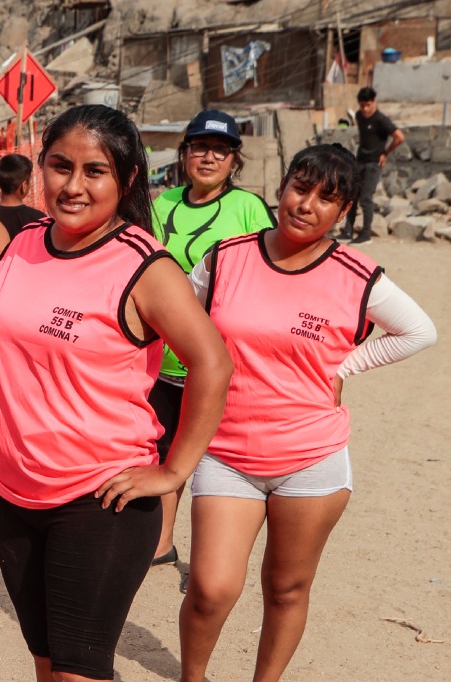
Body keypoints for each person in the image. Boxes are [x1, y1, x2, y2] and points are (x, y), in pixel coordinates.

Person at [0, 105, 232, 682]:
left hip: (100, 497)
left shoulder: (142, 265)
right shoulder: (21, 242)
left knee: (81, 665)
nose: (73, 185)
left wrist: (174, 470)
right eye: (60, 166)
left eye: (94, 171)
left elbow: (212, 362)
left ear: (126, 179)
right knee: (44, 654)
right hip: (11, 487)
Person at [153, 144, 434, 682]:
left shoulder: (357, 275)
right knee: (210, 588)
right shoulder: (226, 258)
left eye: (327, 198)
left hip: (312, 460)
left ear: (344, 210)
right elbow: (175, 322)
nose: (307, 205)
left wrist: (347, 365)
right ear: (280, 188)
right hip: (226, 452)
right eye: (300, 188)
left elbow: (419, 331)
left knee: (286, 588)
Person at [147, 110, 274, 568]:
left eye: (220, 150)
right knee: (163, 454)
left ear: (234, 160)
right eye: (199, 147)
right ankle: (160, 545)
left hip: (220, 364)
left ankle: (209, 563)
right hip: (160, 360)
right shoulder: (161, 205)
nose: (208, 157)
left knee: (216, 464)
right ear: (184, 154)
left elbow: (270, 278)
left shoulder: (250, 210)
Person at [0, 153, 46, 452]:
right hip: (32, 308)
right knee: (28, 376)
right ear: (25, 185)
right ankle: (26, 432)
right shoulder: (40, 221)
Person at [342, 87, 403, 245]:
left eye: (368, 105)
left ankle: (366, 234)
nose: (365, 109)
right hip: (359, 161)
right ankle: (348, 230)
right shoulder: (358, 116)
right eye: (362, 105)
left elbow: (399, 137)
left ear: (374, 102)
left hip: (373, 164)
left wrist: (385, 153)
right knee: (352, 195)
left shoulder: (381, 120)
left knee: (366, 198)